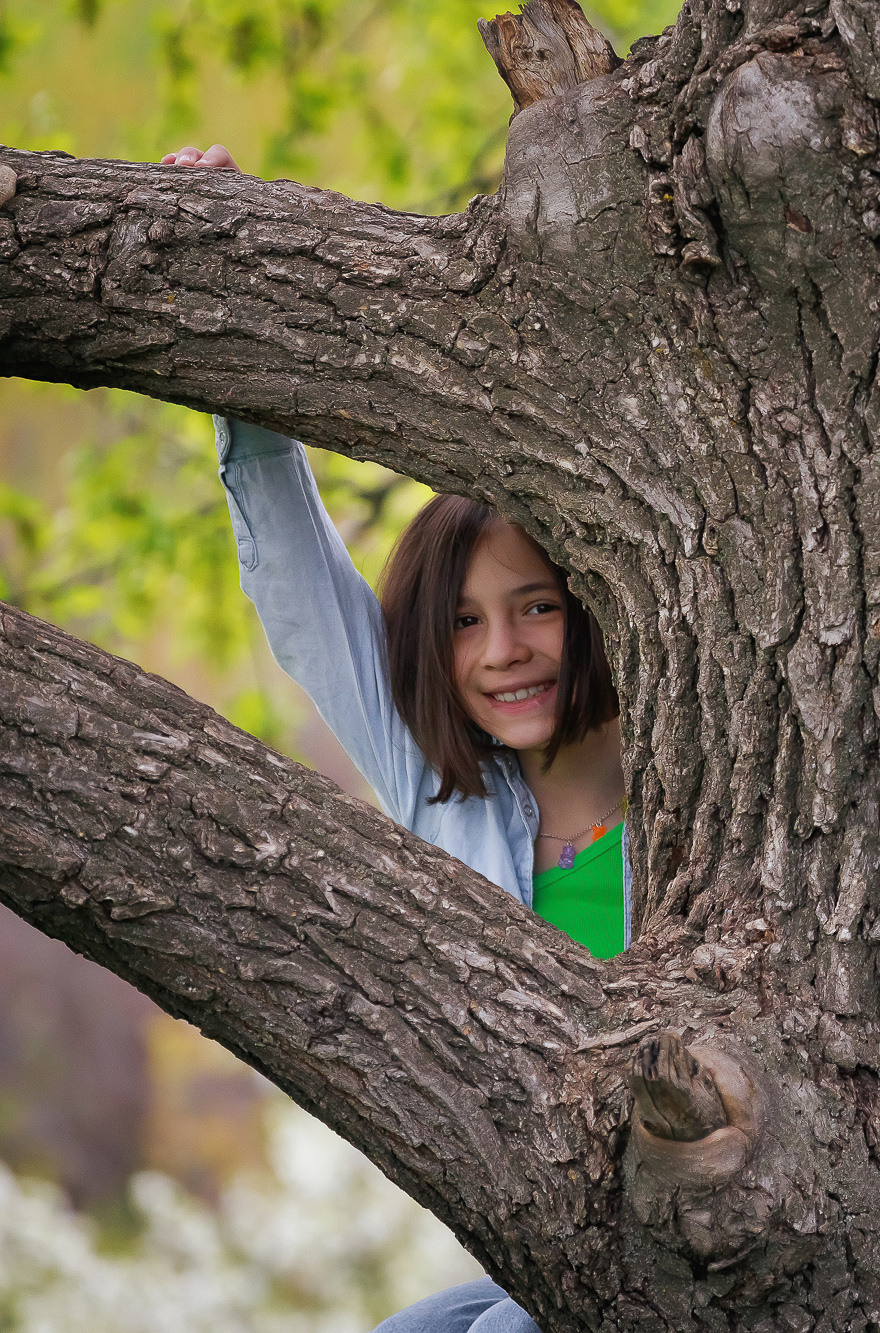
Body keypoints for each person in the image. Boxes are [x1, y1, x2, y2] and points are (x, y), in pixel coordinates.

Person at [166, 142, 616, 1333]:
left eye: (537, 609)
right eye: (463, 624)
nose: (500, 652)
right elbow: (307, 591)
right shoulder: (441, 794)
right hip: (552, 1254)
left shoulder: (718, 788)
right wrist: (227, 273)